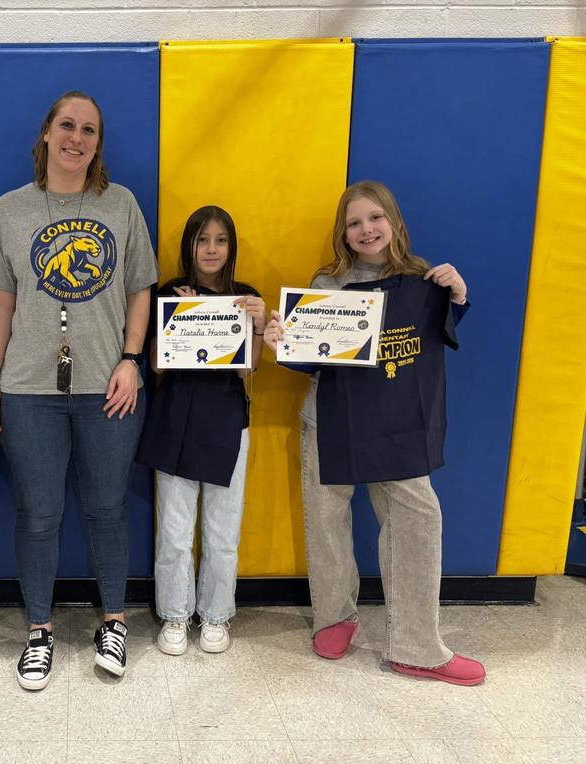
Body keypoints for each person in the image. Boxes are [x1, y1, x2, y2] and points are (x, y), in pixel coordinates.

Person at [263, 180, 484, 685]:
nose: (366, 229)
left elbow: (440, 335)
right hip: (330, 419)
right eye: (354, 222)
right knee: (326, 521)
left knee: (418, 518)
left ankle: (416, 645)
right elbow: (310, 360)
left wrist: (458, 294)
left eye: (375, 218)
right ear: (343, 233)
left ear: (394, 222)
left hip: (396, 427)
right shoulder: (329, 283)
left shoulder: (423, 278)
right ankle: (334, 616)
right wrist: (281, 343)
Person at [0, 91, 158, 690]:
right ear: (46, 133)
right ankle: (38, 630)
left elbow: (138, 290)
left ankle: (112, 620)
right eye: (67, 126)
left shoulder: (121, 205)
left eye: (89, 130)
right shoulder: (10, 210)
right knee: (38, 514)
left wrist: (132, 359)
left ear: (98, 143)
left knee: (107, 508)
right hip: (28, 388)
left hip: (109, 384)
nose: (76, 138)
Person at [135, 206, 265, 656]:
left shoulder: (245, 297)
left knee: (222, 529)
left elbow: (249, 369)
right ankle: (174, 615)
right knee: (173, 530)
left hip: (227, 419)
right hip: (174, 417)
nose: (211, 249)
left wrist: (261, 325)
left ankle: (215, 615)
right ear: (189, 245)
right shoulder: (169, 293)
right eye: (202, 239)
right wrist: (180, 316)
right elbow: (153, 363)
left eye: (220, 240)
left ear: (231, 248)